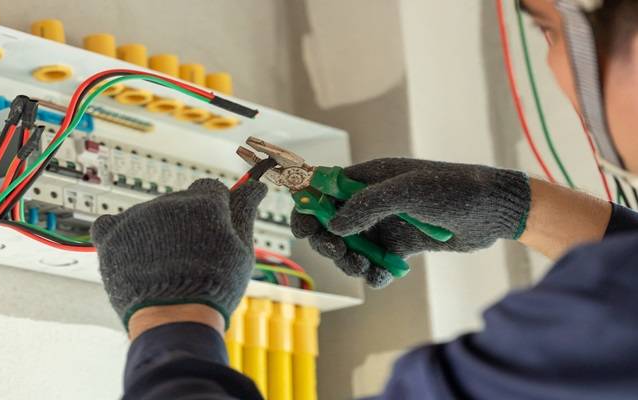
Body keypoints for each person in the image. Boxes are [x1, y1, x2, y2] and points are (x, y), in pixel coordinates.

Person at [90, 0, 638, 398]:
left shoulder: (600, 321)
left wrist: (172, 316)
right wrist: (519, 208)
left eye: (548, 30)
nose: (555, 66)